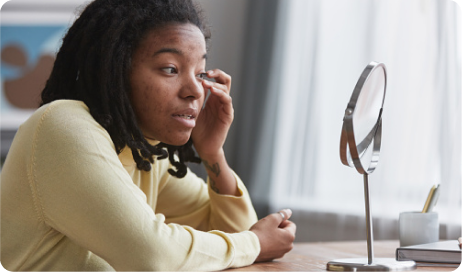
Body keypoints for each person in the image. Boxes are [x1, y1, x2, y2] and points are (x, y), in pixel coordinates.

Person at [0, 0, 296, 271]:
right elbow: (151, 254)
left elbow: (237, 238)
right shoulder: (62, 126)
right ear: (116, 68)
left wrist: (212, 153)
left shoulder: (144, 152)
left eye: (201, 73)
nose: (194, 90)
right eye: (170, 69)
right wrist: (255, 242)